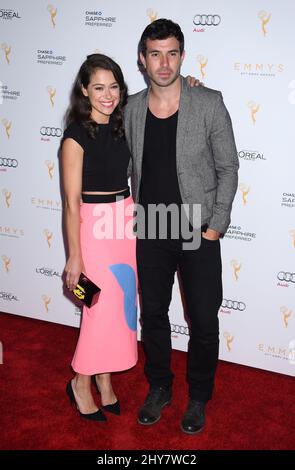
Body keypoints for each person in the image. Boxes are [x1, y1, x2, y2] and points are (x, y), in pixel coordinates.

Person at [124, 19, 239, 434]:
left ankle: (199, 396)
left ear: (183, 56)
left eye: (172, 53)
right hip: (150, 227)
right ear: (143, 59)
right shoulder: (131, 108)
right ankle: (159, 387)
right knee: (153, 315)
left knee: (204, 321)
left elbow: (228, 167)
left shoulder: (208, 102)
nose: (164, 62)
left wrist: (216, 225)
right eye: (155, 53)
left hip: (197, 228)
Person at [62, 54, 137, 421]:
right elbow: (71, 204)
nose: (107, 95)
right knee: (96, 307)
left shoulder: (125, 123)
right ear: (84, 90)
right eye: (98, 87)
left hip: (124, 220)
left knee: (122, 303)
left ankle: (105, 381)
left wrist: (192, 85)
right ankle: (80, 381)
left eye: (113, 87)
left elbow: (165, 95)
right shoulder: (75, 137)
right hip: (92, 226)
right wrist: (75, 256)